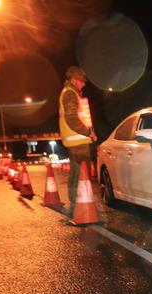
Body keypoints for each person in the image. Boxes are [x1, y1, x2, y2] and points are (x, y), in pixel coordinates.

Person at [58, 66, 97, 216]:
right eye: (81, 81)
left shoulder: (72, 93)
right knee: (81, 176)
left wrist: (90, 132)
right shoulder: (70, 94)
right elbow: (72, 119)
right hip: (77, 143)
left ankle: (77, 208)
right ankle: (78, 209)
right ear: (73, 79)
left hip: (77, 142)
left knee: (77, 176)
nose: (84, 84)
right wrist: (88, 132)